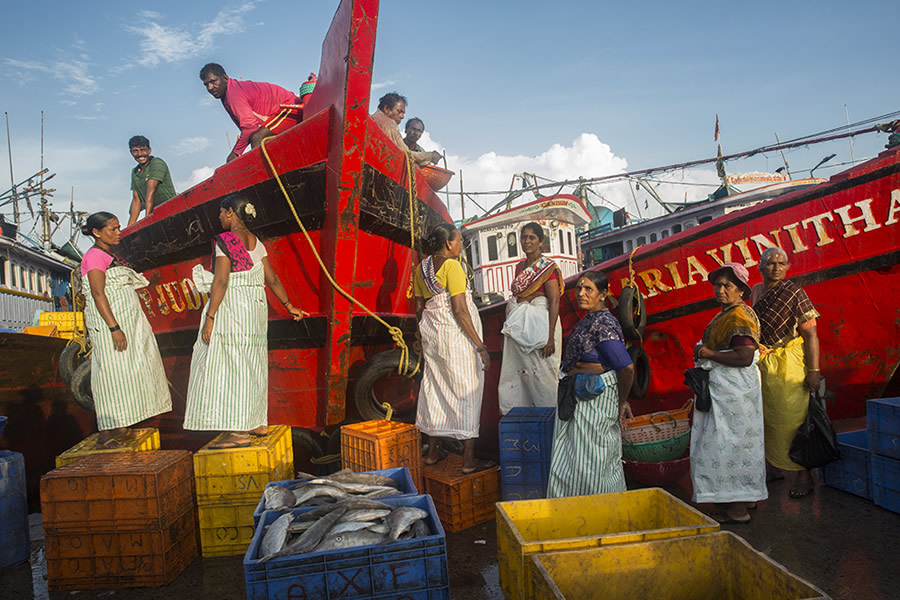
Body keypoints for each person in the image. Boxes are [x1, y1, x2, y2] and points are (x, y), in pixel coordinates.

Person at [183, 194, 306, 448]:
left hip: (233, 309)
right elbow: (271, 279)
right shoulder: (256, 242)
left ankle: (238, 433)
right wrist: (289, 305)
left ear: (230, 213)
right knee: (253, 363)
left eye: (221, 212)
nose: (219, 217)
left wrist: (210, 317)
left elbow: (221, 281)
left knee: (230, 367)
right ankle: (257, 421)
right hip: (255, 312)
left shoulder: (226, 241)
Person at [80, 212, 172, 447]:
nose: (118, 232)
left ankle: (121, 425)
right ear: (96, 232)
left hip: (125, 323)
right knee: (111, 373)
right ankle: (106, 432)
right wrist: (114, 328)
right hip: (110, 324)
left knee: (127, 373)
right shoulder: (94, 257)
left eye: (118, 227)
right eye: (112, 229)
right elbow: (98, 293)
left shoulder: (109, 254)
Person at [691, 262, 767, 524]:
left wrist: (707, 353)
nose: (720, 289)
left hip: (733, 393)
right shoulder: (731, 312)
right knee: (738, 443)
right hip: (733, 392)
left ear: (741, 291)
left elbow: (745, 356)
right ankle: (744, 499)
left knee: (728, 444)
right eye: (718, 284)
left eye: (727, 285)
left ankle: (736, 509)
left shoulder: (738, 316)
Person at [546, 271, 634, 498]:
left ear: (603, 295)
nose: (582, 294)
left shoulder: (602, 323)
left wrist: (621, 402)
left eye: (589, 290)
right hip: (581, 396)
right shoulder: (589, 321)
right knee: (578, 459)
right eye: (579, 289)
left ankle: (599, 510)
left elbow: (626, 367)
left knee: (593, 460)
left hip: (594, 401)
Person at [414, 223, 492, 473]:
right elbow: (460, 310)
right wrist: (480, 346)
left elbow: (419, 308)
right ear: (449, 244)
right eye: (459, 241)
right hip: (456, 337)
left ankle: (432, 451)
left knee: (435, 388)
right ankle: (468, 461)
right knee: (468, 389)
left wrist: (427, 335)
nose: (460, 246)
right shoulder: (453, 266)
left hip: (432, 335)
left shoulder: (421, 268)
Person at [751, 247, 821, 499]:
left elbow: (811, 335)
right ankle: (774, 467)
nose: (777, 268)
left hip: (790, 364)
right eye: (771, 263)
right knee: (768, 419)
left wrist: (814, 371)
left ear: (788, 267)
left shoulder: (795, 293)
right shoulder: (757, 291)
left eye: (782, 263)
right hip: (765, 364)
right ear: (760, 267)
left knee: (794, 419)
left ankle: (805, 475)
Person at [497, 222, 562, 414]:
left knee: (543, 375)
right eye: (523, 237)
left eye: (532, 237)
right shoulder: (520, 267)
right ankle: (522, 415)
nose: (526, 241)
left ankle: (548, 418)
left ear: (541, 242)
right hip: (519, 327)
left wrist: (550, 337)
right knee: (520, 374)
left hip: (541, 326)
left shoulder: (548, 268)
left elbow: (555, 301)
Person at [200, 63, 315, 163]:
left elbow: (250, 128)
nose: (210, 87)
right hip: (278, 116)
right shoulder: (226, 96)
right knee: (260, 138)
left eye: (213, 81)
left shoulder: (233, 94)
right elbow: (246, 128)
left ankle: (271, 179)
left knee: (257, 137)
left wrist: (235, 153)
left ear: (224, 78)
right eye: (206, 85)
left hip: (290, 108)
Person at [372, 93, 441, 167]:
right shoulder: (389, 124)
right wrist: (430, 156)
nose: (402, 117)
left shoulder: (374, 118)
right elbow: (405, 154)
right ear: (386, 109)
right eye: (399, 111)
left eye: (419, 131)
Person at [127, 136, 177, 227]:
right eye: (135, 151)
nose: (140, 154)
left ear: (149, 150)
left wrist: (148, 220)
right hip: (155, 217)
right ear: (131, 153)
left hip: (171, 212)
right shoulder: (135, 172)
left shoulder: (156, 163)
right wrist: (129, 228)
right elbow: (136, 200)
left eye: (143, 150)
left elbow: (151, 190)